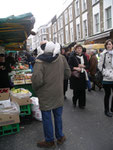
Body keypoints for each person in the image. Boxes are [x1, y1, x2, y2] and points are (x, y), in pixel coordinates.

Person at [31, 41, 71, 148]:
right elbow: (68, 73)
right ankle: (60, 137)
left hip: (45, 94)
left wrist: (36, 90)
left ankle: (49, 140)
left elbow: (36, 81)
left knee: (47, 118)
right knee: (58, 116)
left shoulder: (39, 61)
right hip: (58, 92)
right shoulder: (61, 58)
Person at [68, 44, 88, 109]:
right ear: (75, 49)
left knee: (82, 91)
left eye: (80, 48)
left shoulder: (84, 56)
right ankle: (74, 101)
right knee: (76, 91)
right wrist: (75, 68)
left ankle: (82, 104)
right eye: (78, 48)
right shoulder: (72, 57)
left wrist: (83, 66)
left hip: (82, 75)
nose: (79, 49)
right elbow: (69, 66)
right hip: (75, 76)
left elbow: (88, 65)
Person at [98, 39, 113, 117]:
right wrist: (105, 73)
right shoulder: (103, 54)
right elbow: (99, 66)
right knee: (107, 94)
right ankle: (106, 110)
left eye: (110, 44)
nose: (108, 45)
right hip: (107, 78)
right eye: (107, 44)